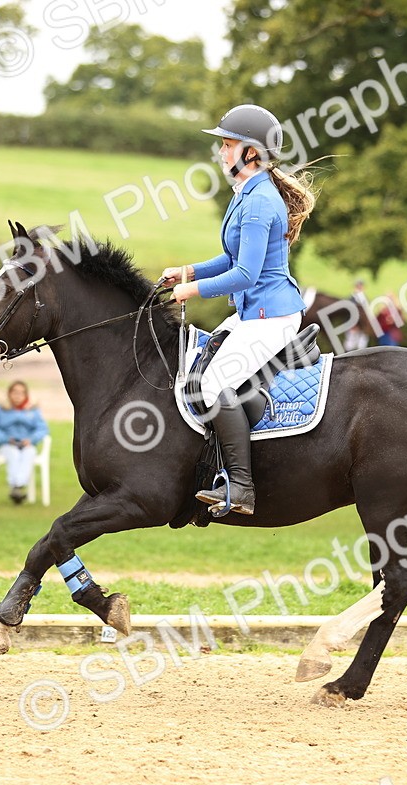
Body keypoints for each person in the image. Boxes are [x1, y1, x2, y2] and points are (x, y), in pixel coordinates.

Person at [162, 104, 316, 516]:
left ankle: (242, 488)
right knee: (199, 369)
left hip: (272, 316)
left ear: (251, 152)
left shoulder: (261, 201)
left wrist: (191, 291)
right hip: (254, 313)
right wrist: (187, 271)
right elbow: (231, 257)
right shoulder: (248, 193)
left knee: (211, 388)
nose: (221, 152)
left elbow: (245, 274)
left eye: (227, 145)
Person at [0, 380, 49, 505]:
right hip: (8, 444)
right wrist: (6, 439)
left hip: (27, 444)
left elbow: (42, 429)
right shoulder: (1, 410)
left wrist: (31, 439)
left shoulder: (33, 411)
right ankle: (17, 486)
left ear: (26, 395)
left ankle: (17, 486)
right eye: (15, 392)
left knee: (29, 454)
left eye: (21, 393)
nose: (18, 396)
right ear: (9, 394)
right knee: (13, 454)